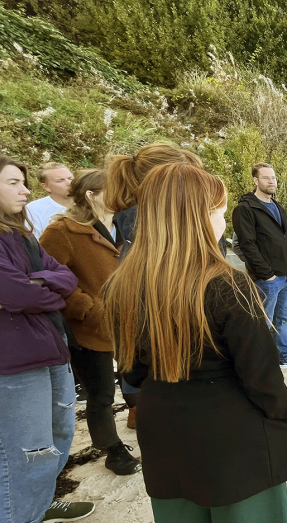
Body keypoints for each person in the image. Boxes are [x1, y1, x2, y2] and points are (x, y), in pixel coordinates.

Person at [104, 163, 287, 523]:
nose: (223, 223)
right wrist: (286, 411)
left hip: (164, 436)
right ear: (196, 219)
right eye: (218, 214)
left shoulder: (121, 285)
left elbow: (131, 372)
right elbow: (262, 381)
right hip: (234, 447)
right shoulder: (229, 286)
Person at [0, 151, 94, 523]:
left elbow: (64, 278)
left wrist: (38, 284)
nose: (25, 190)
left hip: (49, 345)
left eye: (24, 182)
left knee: (57, 433)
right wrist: (38, 287)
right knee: (22, 448)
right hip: (8, 359)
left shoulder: (20, 234)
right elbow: (15, 292)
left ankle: (40, 504)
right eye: (13, 183)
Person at [39, 169, 141, 476]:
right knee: (101, 394)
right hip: (88, 328)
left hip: (129, 321)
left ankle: (141, 419)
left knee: (137, 377)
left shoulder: (124, 225)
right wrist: (86, 308)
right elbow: (48, 279)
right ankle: (111, 449)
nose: (121, 196)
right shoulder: (62, 231)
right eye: (113, 190)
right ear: (90, 195)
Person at [105, 142, 207, 424]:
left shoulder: (133, 237)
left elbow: (131, 364)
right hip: (185, 390)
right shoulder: (157, 243)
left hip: (158, 388)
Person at [232, 163, 287, 369]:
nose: (272, 181)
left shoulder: (278, 206)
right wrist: (266, 274)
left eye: (273, 177)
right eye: (266, 178)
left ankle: (284, 356)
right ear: (255, 180)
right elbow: (247, 244)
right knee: (263, 322)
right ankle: (258, 365)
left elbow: (285, 239)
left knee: (281, 319)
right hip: (267, 279)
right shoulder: (245, 208)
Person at [26, 162, 74, 239]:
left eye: (70, 178)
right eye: (60, 180)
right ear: (46, 187)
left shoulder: (89, 203)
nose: (69, 183)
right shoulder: (34, 209)